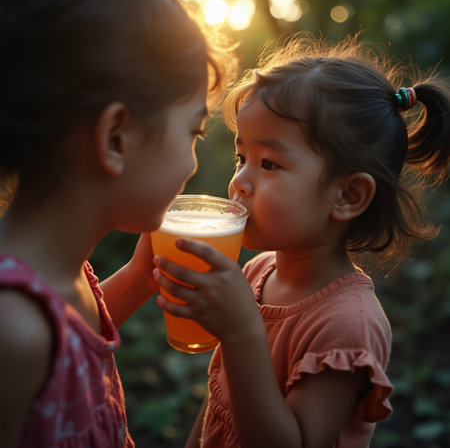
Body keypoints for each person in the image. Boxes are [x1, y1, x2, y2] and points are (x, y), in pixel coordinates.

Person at [153, 33, 450, 447]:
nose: (239, 182)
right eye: (242, 159)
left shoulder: (346, 325)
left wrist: (242, 334)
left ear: (347, 196)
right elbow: (219, 404)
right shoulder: (258, 271)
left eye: (268, 163)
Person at [0, 0, 236, 446]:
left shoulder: (59, 277)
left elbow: (70, 344)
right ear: (115, 138)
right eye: (192, 133)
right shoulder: (12, 329)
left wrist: (138, 278)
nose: (191, 166)